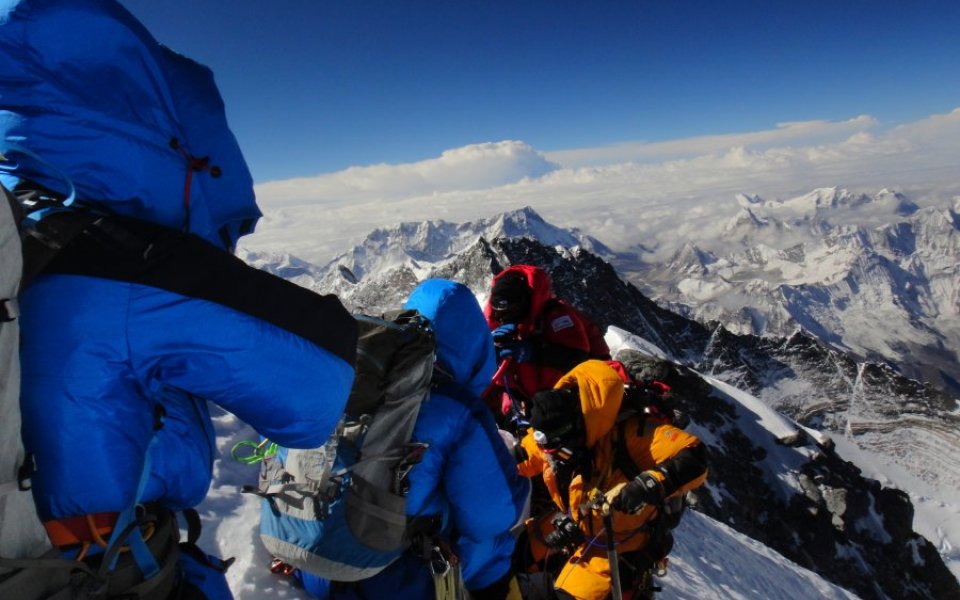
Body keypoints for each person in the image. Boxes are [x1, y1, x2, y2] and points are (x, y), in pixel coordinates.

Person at [0, 0, 357, 597]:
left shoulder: (19, 230)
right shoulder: (122, 266)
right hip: (104, 573)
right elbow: (314, 398)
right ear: (175, 147)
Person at [294, 279, 531, 600]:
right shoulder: (456, 407)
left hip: (309, 556)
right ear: (473, 346)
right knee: (494, 543)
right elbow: (490, 518)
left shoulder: (354, 371)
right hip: (381, 580)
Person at [513, 360, 708, 600]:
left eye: (557, 448)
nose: (552, 455)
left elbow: (694, 457)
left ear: (574, 429)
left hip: (617, 544)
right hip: (575, 524)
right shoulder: (554, 432)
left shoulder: (633, 434)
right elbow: (526, 453)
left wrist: (647, 484)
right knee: (509, 558)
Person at [484, 265, 610, 431]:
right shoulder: (494, 321)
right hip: (523, 401)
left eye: (511, 310)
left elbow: (579, 359)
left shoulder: (556, 316)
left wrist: (534, 351)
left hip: (566, 398)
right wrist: (490, 350)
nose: (504, 317)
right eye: (499, 311)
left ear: (525, 302)